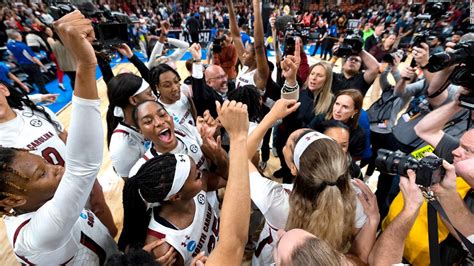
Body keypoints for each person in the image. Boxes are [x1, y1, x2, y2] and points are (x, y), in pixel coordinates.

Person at [0, 11, 119, 264]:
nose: (55, 167)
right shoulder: (35, 237)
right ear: (12, 199)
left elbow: (69, 147)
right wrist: (86, 65)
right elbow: (80, 166)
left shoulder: (31, 113)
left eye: (45, 164)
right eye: (41, 172)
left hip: (79, 202)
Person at [128, 100, 228, 181]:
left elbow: (222, 166)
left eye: (162, 115)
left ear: (170, 117)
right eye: (148, 121)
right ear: (140, 131)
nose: (159, 122)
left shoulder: (185, 130)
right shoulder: (143, 170)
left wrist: (213, 140)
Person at [106, 73, 156, 179]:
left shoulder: (154, 119)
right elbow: (132, 186)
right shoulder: (121, 146)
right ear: (133, 100)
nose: (154, 98)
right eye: (150, 94)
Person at [309, 89, 366, 160]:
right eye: (337, 104)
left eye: (345, 107)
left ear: (355, 111)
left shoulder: (358, 133)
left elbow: (355, 159)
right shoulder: (319, 120)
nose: (338, 110)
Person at [226, 0, 269, 92]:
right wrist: (229, 4)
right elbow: (236, 36)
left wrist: (256, 6)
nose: (243, 55)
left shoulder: (259, 74)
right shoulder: (245, 66)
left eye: (247, 53)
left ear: (255, 56)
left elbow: (259, 46)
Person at [6, 29, 48, 94]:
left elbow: (11, 56)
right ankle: (44, 93)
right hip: (30, 64)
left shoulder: (9, 45)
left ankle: (29, 86)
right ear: (18, 36)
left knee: (32, 77)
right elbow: (33, 58)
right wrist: (42, 66)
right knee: (39, 80)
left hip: (22, 66)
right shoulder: (23, 45)